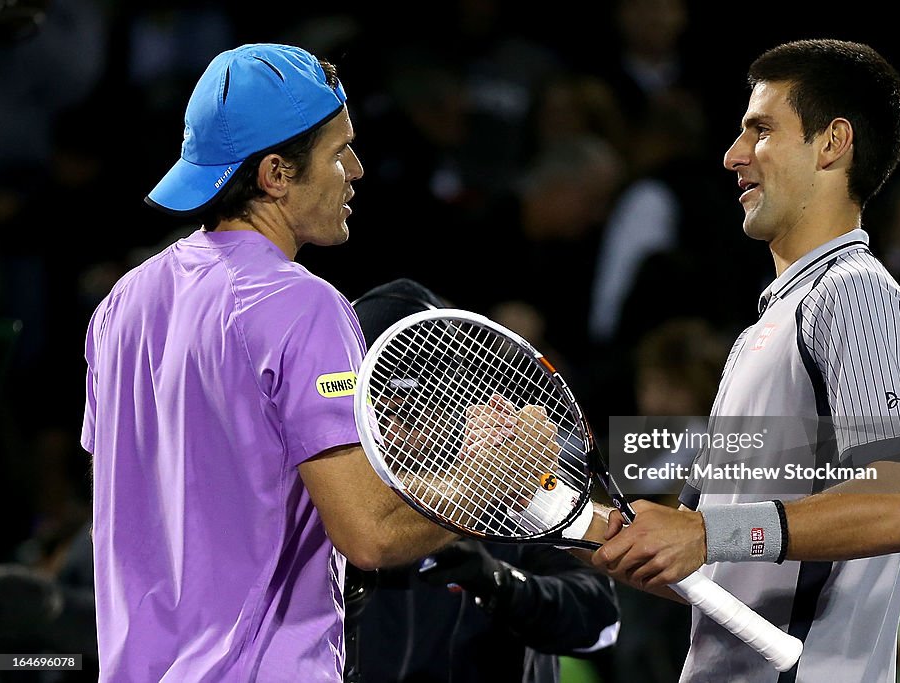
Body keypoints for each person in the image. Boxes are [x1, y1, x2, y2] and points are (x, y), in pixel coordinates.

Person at [81, 43, 549, 681]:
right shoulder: (302, 303)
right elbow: (371, 536)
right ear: (276, 174)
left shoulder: (119, 306)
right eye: (338, 152)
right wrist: (499, 480)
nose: (355, 169)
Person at [581, 39, 900, 682]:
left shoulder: (854, 291)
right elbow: (709, 569)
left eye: (762, 130)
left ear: (832, 144)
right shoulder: (762, 331)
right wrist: (558, 506)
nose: (732, 156)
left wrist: (706, 533)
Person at [343, 277, 620, 683]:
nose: (391, 429)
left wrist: (499, 584)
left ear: (452, 401)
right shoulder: (328, 495)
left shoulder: (523, 479)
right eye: (375, 408)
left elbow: (600, 622)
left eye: (408, 409)